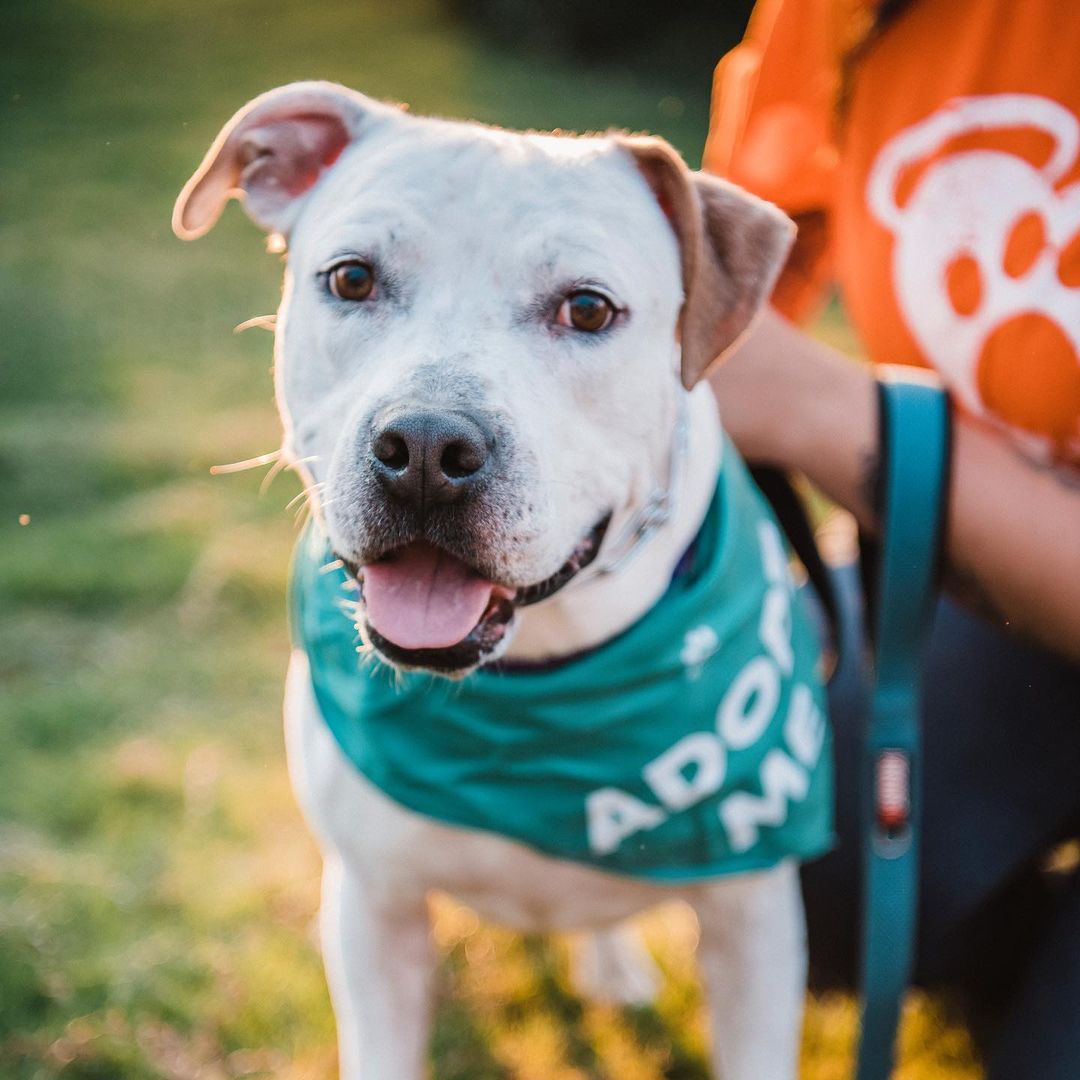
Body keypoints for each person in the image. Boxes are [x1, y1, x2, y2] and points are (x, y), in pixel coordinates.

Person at [702, 0, 1080, 1075]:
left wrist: (833, 414)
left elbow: (779, 379)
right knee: (786, 841)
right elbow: (724, 305)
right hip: (997, 584)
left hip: (967, 531)